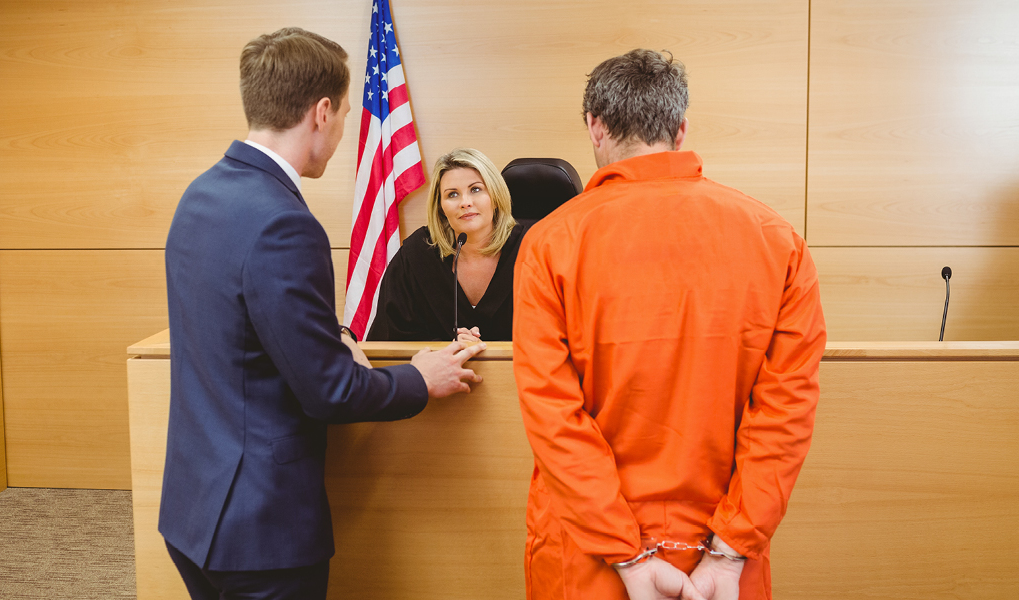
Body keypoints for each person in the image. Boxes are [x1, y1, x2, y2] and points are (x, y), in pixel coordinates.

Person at [160, 28, 486, 600]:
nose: (342, 135)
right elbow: (330, 395)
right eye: (344, 119)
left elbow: (240, 326)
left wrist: (325, 332)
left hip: (193, 511)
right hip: (260, 533)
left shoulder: (202, 194)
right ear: (322, 111)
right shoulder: (284, 222)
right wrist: (420, 379)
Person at [513, 49, 827, 600]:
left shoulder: (549, 244)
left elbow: (552, 414)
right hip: (719, 557)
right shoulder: (778, 241)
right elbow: (785, 414)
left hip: (592, 559)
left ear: (595, 126)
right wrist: (729, 555)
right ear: (681, 129)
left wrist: (630, 557)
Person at [368, 148, 526, 342]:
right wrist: (443, 351)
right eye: (452, 194)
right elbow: (388, 342)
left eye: (475, 189)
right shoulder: (416, 256)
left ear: (495, 197)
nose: (465, 202)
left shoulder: (532, 251)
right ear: (441, 207)